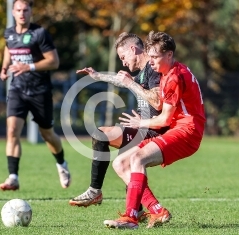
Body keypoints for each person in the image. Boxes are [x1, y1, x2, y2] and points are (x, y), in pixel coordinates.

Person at [103, 31, 206, 229]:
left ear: (169, 55)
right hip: (178, 129)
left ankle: (131, 217)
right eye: (149, 56)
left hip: (188, 132)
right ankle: (157, 211)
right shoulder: (169, 73)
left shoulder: (174, 77)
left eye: (155, 57)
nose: (150, 61)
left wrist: (140, 123)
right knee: (121, 163)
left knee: (137, 158)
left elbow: (164, 119)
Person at [69, 32, 168, 213]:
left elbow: (157, 100)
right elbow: (124, 82)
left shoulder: (153, 68)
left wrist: (131, 84)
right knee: (107, 142)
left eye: (123, 57)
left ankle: (98, 193)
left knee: (119, 155)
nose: (123, 62)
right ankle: (133, 208)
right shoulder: (144, 71)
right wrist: (98, 76)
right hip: (141, 127)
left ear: (133, 49)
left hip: (153, 130)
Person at [0, 0, 70, 191]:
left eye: (25, 10)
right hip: (17, 90)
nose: (22, 13)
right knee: (12, 130)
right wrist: (5, 68)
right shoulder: (9, 33)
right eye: (18, 10)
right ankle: (13, 176)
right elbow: (8, 49)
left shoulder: (39, 34)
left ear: (31, 12)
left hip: (40, 91)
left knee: (47, 134)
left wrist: (28, 66)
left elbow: (53, 62)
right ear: (13, 12)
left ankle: (61, 164)